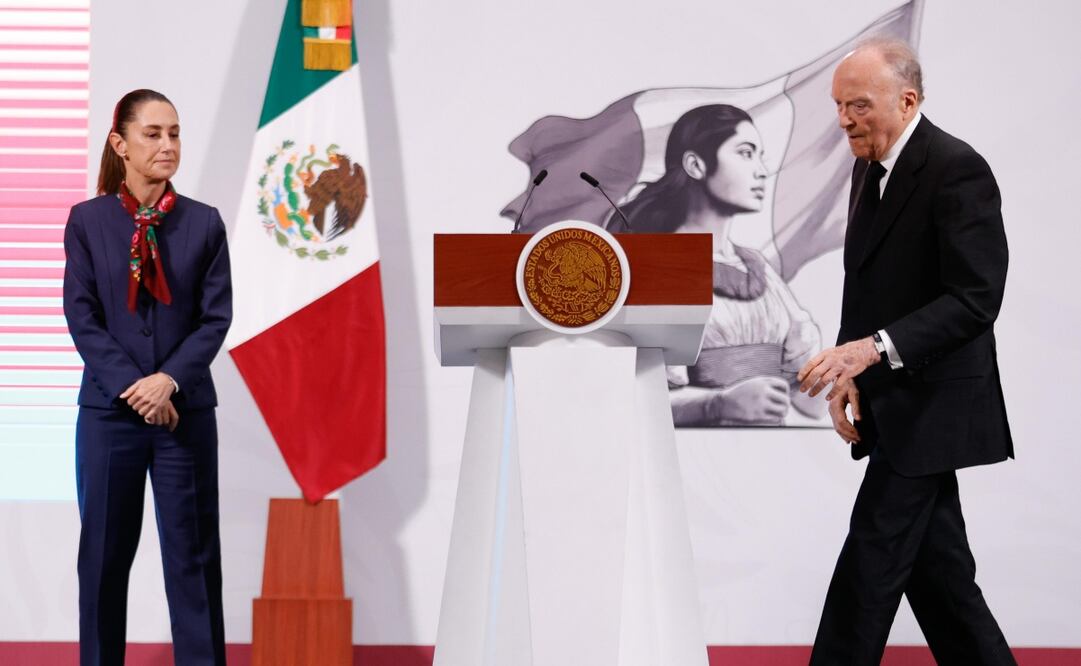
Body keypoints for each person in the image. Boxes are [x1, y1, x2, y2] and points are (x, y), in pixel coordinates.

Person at [797, 39, 1016, 664]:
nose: (843, 120)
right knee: (941, 580)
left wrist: (871, 352)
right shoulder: (871, 167)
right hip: (896, 404)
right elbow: (868, 283)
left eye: (857, 106)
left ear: (907, 100)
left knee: (868, 566)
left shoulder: (957, 168)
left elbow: (976, 298)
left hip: (936, 408)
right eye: (839, 106)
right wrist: (851, 373)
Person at [63, 89, 232, 665]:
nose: (167, 145)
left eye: (175, 133)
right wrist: (138, 390)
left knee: (194, 561)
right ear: (121, 144)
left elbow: (215, 318)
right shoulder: (87, 222)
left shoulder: (204, 224)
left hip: (184, 415)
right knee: (104, 560)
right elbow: (81, 316)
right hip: (111, 417)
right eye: (153, 133)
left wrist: (169, 382)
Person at [620, 104, 825, 426]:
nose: (761, 170)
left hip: (769, 455)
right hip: (695, 456)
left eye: (760, 156)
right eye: (745, 153)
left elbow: (809, 392)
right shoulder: (659, 266)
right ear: (695, 165)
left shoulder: (757, 268)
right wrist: (718, 403)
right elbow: (639, 396)